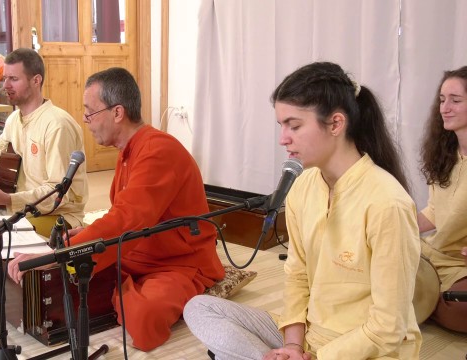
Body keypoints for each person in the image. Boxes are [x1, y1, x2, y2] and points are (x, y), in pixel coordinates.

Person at [183, 62, 422, 359]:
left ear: (335, 124)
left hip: (365, 348)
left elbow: (388, 327)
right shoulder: (304, 184)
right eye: (282, 126)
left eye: (294, 126)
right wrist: (294, 345)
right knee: (200, 307)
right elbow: (296, 274)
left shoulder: (387, 203)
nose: (283, 138)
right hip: (310, 337)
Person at [7, 67, 225, 351]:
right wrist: (82, 236)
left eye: (90, 112)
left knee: (144, 318)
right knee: (81, 276)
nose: (86, 121)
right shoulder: (129, 151)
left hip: (177, 261)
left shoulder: (159, 150)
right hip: (137, 252)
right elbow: (126, 214)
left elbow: (128, 219)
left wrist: (60, 252)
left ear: (117, 112)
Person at [0, 48, 88, 264]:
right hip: (18, 206)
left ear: (36, 80)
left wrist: (8, 199)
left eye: (14, 79)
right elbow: (2, 144)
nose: (6, 86)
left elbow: (59, 194)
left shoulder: (57, 125)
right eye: (5, 78)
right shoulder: (14, 119)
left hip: (56, 215)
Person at [417, 65, 467, 333]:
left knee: (463, 308)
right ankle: (423, 299)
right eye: (442, 99)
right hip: (432, 254)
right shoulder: (444, 156)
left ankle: (417, 301)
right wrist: (392, 224)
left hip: (462, 268)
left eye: (455, 101)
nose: (445, 108)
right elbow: (434, 212)